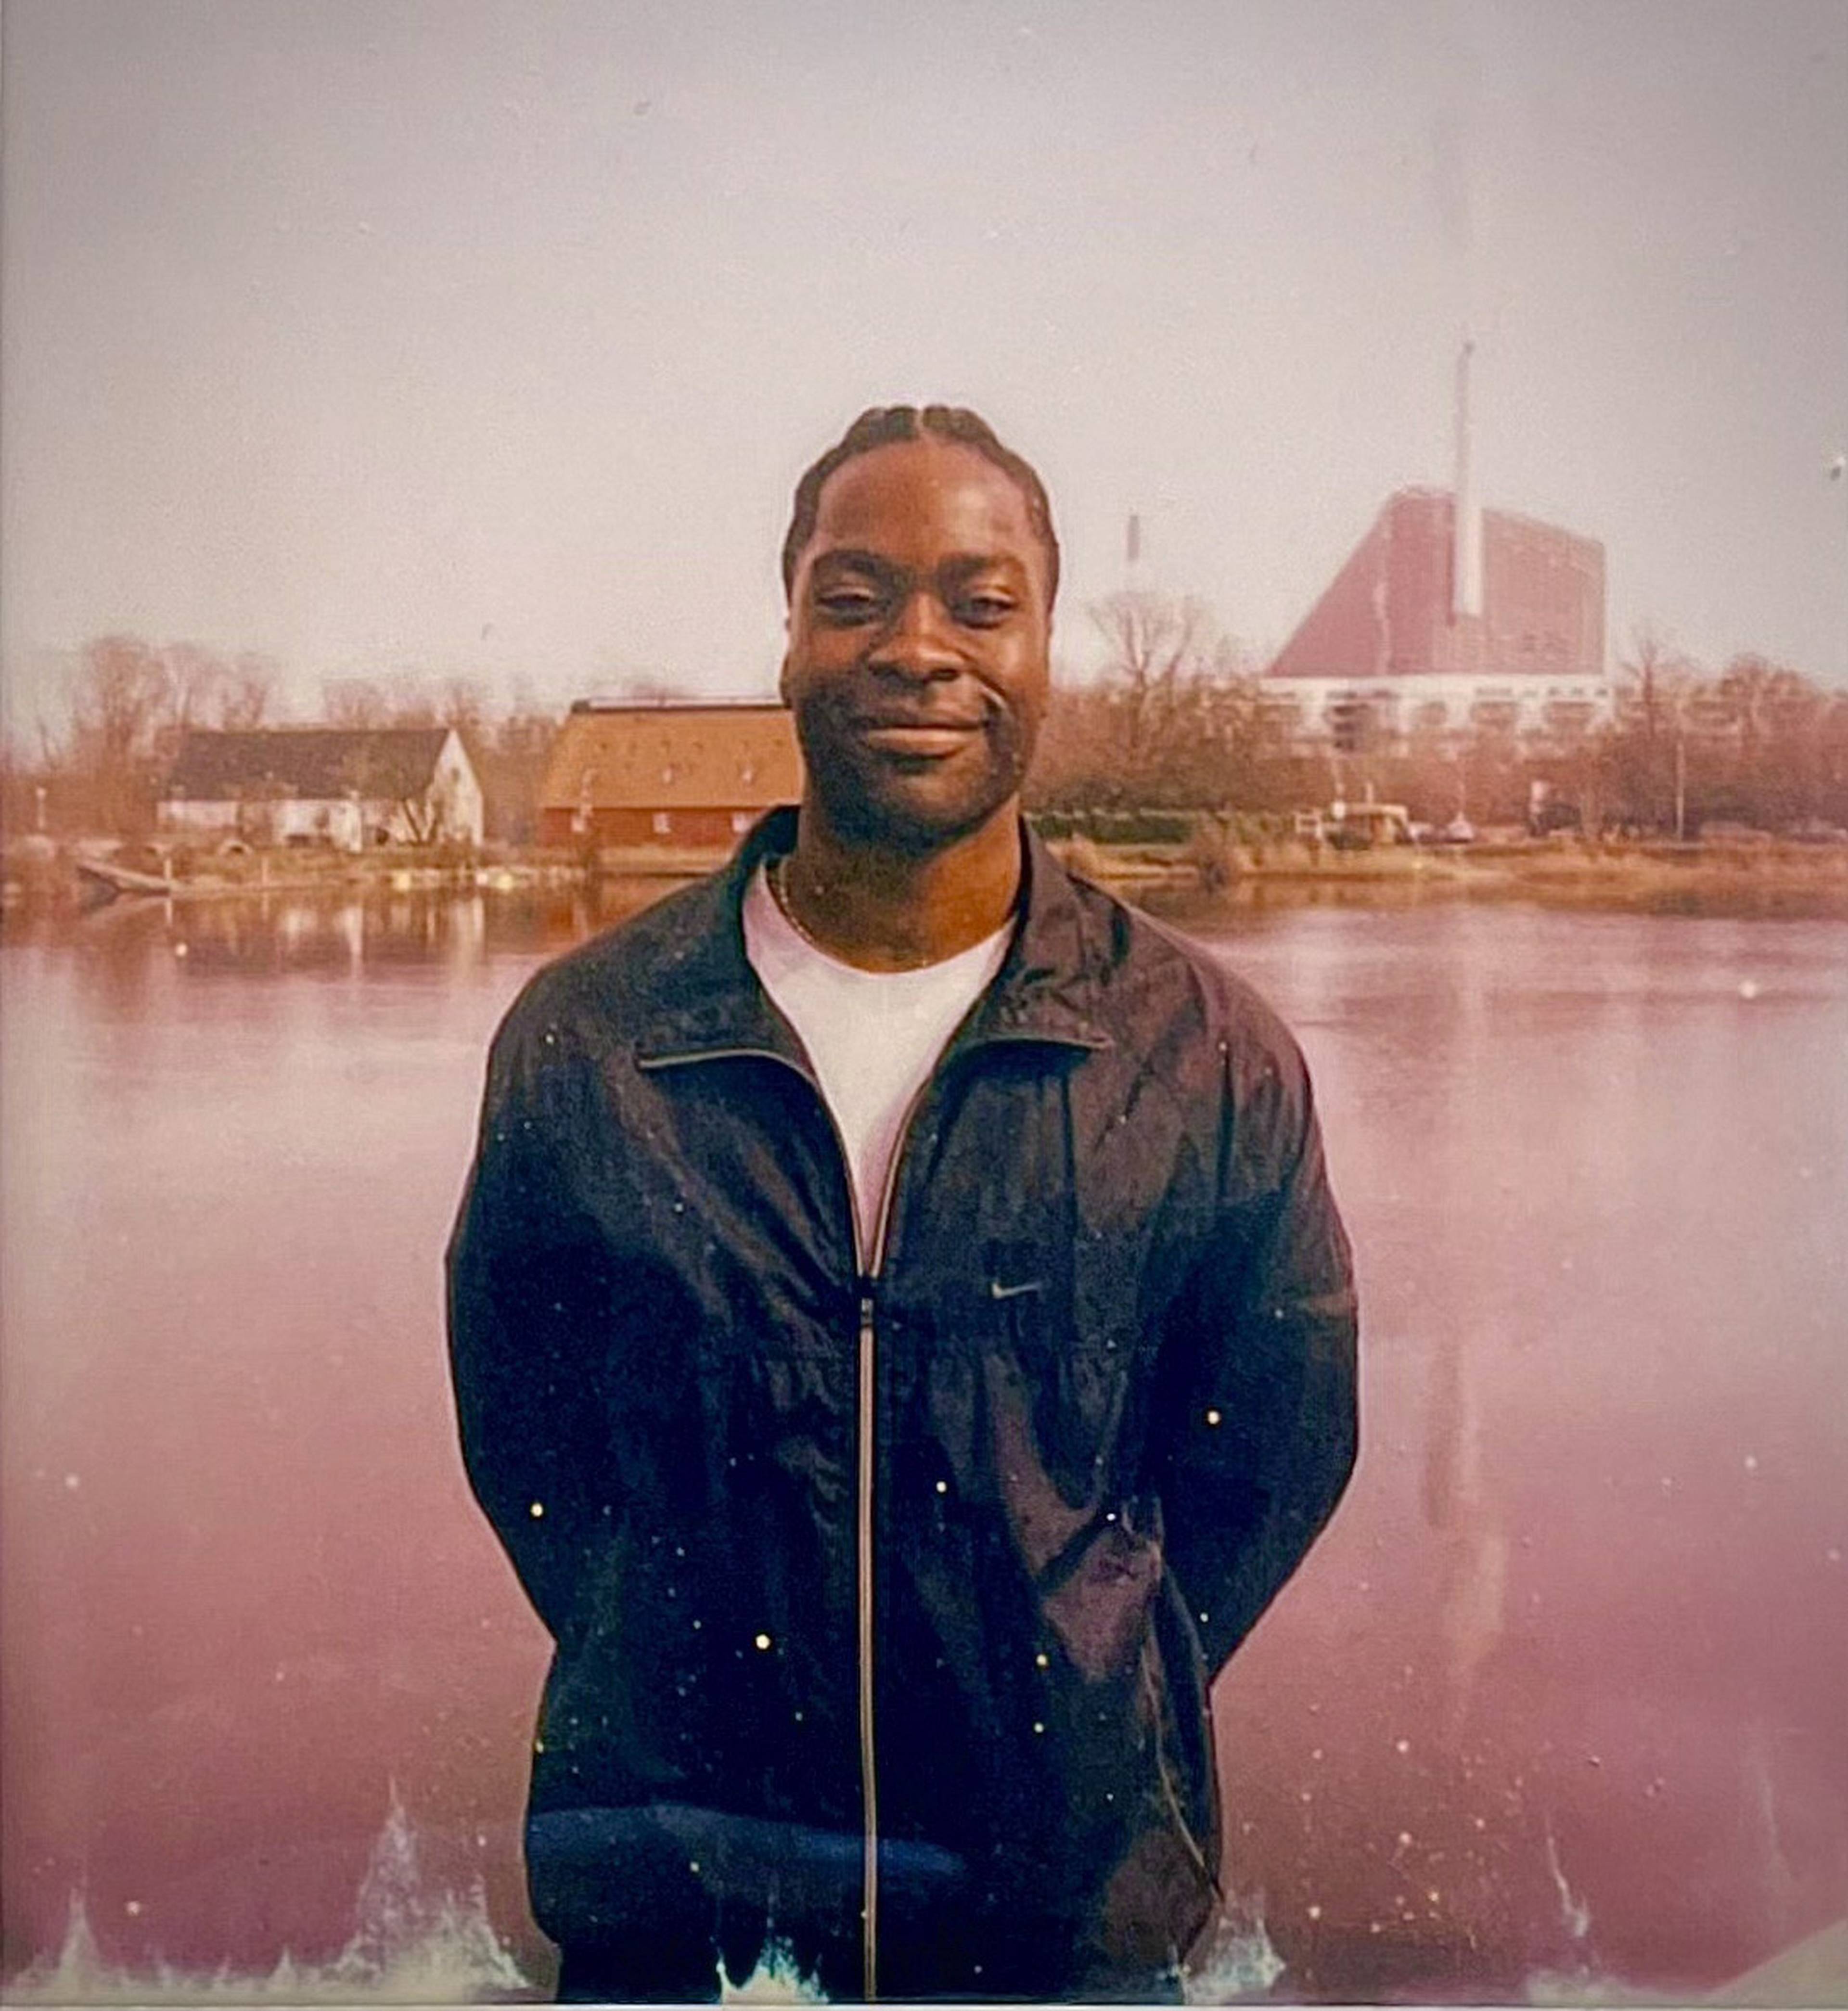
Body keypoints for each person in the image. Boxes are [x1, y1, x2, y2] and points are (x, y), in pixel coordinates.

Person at [447, 405, 1359, 2003]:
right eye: (855, 596)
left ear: (1047, 646)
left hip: (1061, 1936)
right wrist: (671, 1656)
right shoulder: (589, 1041)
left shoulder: (1204, 1056)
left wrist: (1099, 1679)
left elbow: (1273, 1457)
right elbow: (528, 1445)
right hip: (683, 1936)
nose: (917, 649)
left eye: (980, 603)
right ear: (790, 636)